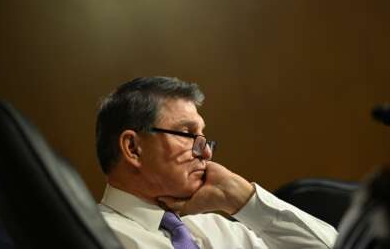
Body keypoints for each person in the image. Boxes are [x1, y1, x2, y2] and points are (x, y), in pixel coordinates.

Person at [96, 76, 337, 248]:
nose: (206, 153)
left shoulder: (216, 227)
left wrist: (242, 198)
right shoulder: (92, 235)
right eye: (188, 134)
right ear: (133, 148)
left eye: (203, 137)